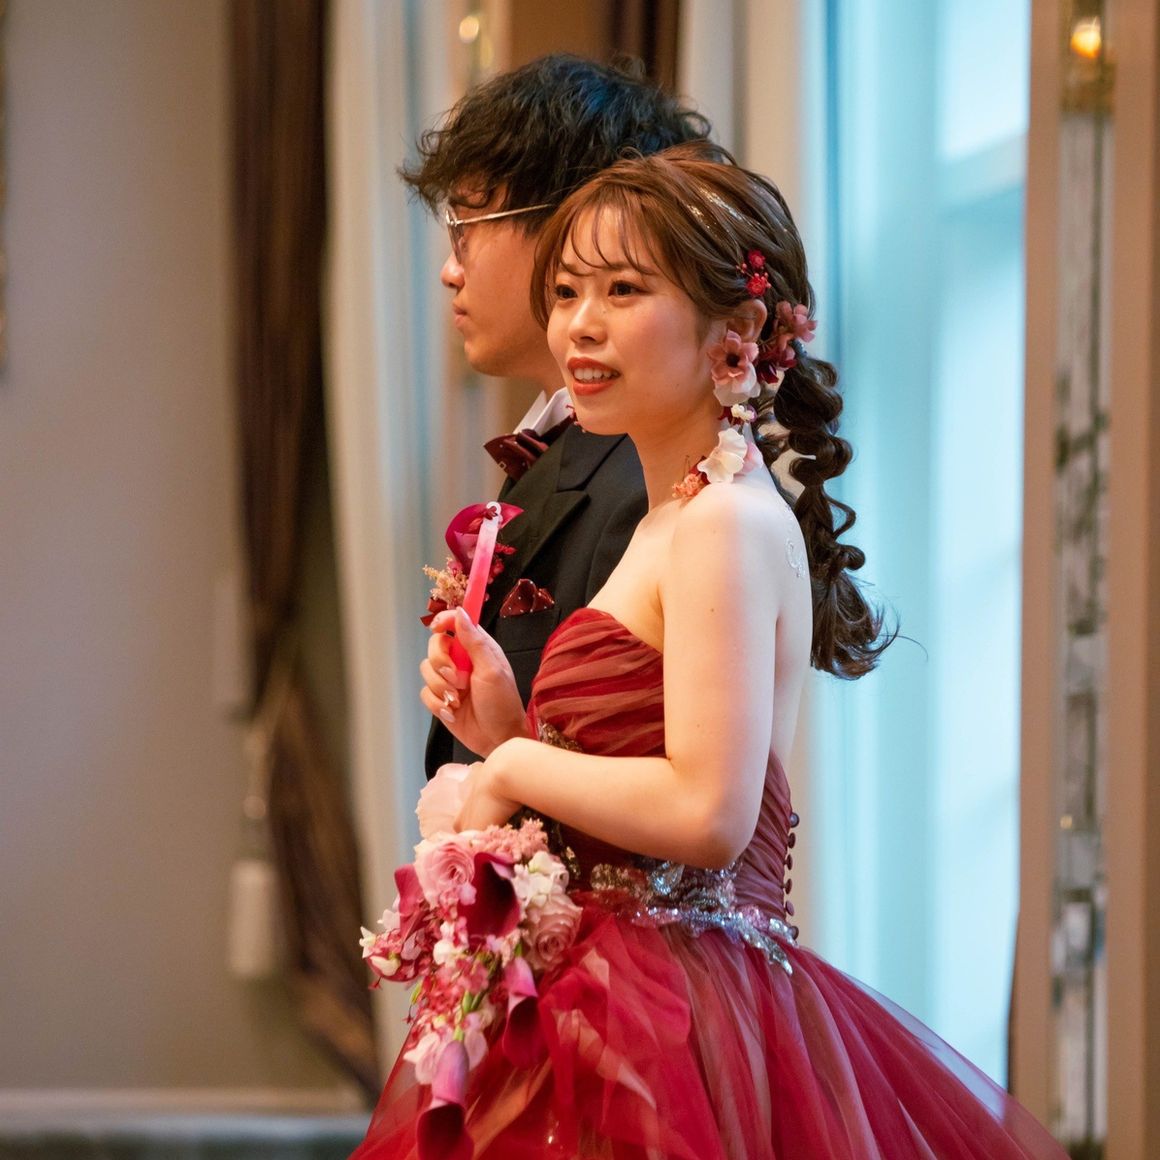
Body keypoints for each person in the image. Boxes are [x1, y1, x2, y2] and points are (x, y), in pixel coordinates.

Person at [356, 149, 1068, 1158]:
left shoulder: (721, 524)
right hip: (623, 993)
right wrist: (507, 724)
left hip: (675, 1009)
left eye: (622, 290)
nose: (579, 325)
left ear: (736, 334)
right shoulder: (675, 518)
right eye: (566, 293)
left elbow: (708, 814)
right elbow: (642, 780)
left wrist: (509, 767)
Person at [399, 54, 715, 778]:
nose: (450, 269)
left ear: (578, 225)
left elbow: (663, 777)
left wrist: (510, 766)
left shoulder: (651, 478)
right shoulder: (580, 449)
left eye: (466, 229)